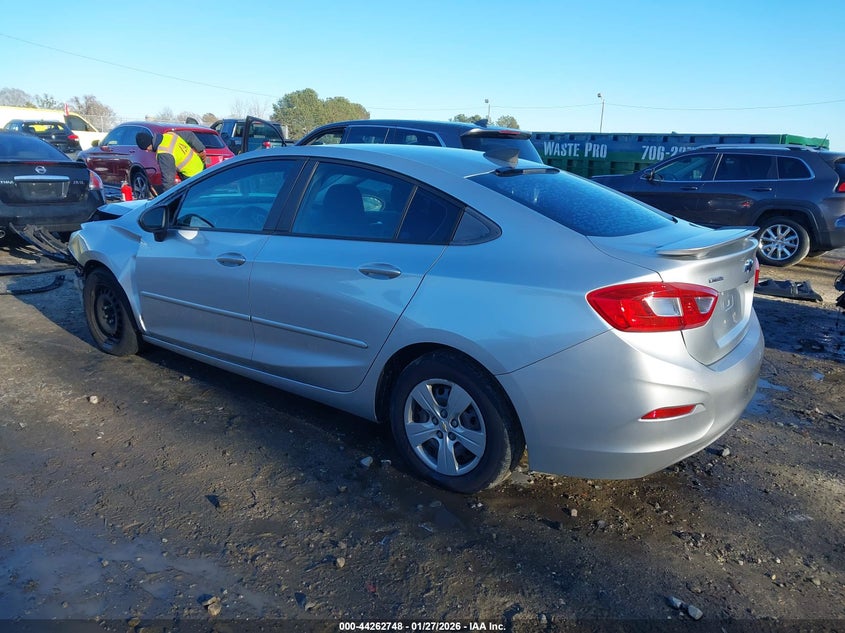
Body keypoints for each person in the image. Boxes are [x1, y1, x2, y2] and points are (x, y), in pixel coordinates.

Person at [135, 130, 206, 194]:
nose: (147, 151)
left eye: (146, 149)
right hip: (201, 166)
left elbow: (168, 180)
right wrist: (201, 150)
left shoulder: (163, 153)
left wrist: (167, 198)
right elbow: (190, 135)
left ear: (148, 145)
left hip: (192, 176)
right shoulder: (170, 135)